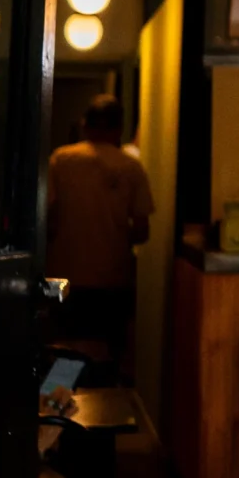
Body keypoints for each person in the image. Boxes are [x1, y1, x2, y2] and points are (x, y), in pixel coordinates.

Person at [47, 95, 154, 373]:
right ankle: (103, 407)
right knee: (108, 355)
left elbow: (47, 219)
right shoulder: (131, 167)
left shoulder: (61, 159)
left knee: (62, 349)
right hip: (112, 279)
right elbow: (142, 231)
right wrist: (113, 237)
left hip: (60, 276)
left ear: (85, 125)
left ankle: (61, 407)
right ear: (119, 129)